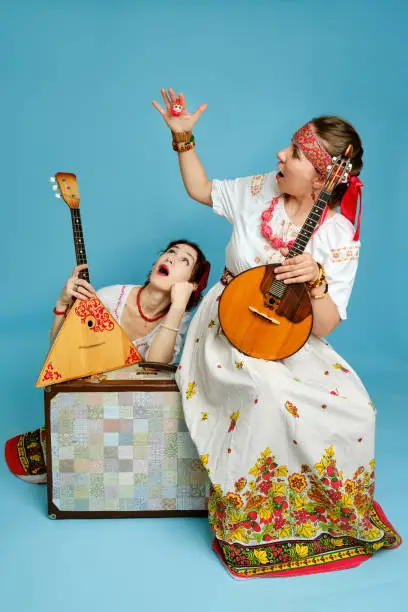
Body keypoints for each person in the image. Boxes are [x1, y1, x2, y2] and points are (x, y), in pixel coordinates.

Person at [152, 88, 401, 578]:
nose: (279, 155)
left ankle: (316, 513)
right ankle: (254, 522)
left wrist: (317, 281)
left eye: (293, 153)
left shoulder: (338, 236)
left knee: (358, 409)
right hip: (226, 324)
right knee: (266, 392)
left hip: (290, 335)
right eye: (288, 146)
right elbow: (202, 190)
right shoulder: (260, 188)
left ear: (320, 177)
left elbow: (326, 325)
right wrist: (184, 140)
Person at [5, 239, 210, 484]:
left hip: (130, 411)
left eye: (184, 260)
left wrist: (178, 306)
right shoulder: (112, 297)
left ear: (190, 285)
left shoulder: (178, 317)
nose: (171, 259)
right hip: (89, 399)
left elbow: (155, 367)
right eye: (169, 252)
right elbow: (63, 351)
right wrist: (62, 304)